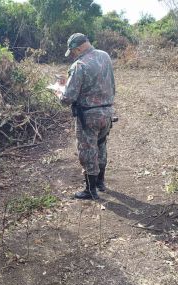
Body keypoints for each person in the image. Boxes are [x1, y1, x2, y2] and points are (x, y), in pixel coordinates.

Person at [58, 33, 115, 200]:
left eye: (74, 51)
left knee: (87, 150)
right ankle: (100, 182)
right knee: (101, 145)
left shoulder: (79, 65)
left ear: (79, 47)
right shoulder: (105, 56)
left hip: (88, 115)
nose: (74, 54)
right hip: (107, 112)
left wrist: (59, 91)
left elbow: (68, 98)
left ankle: (90, 190)